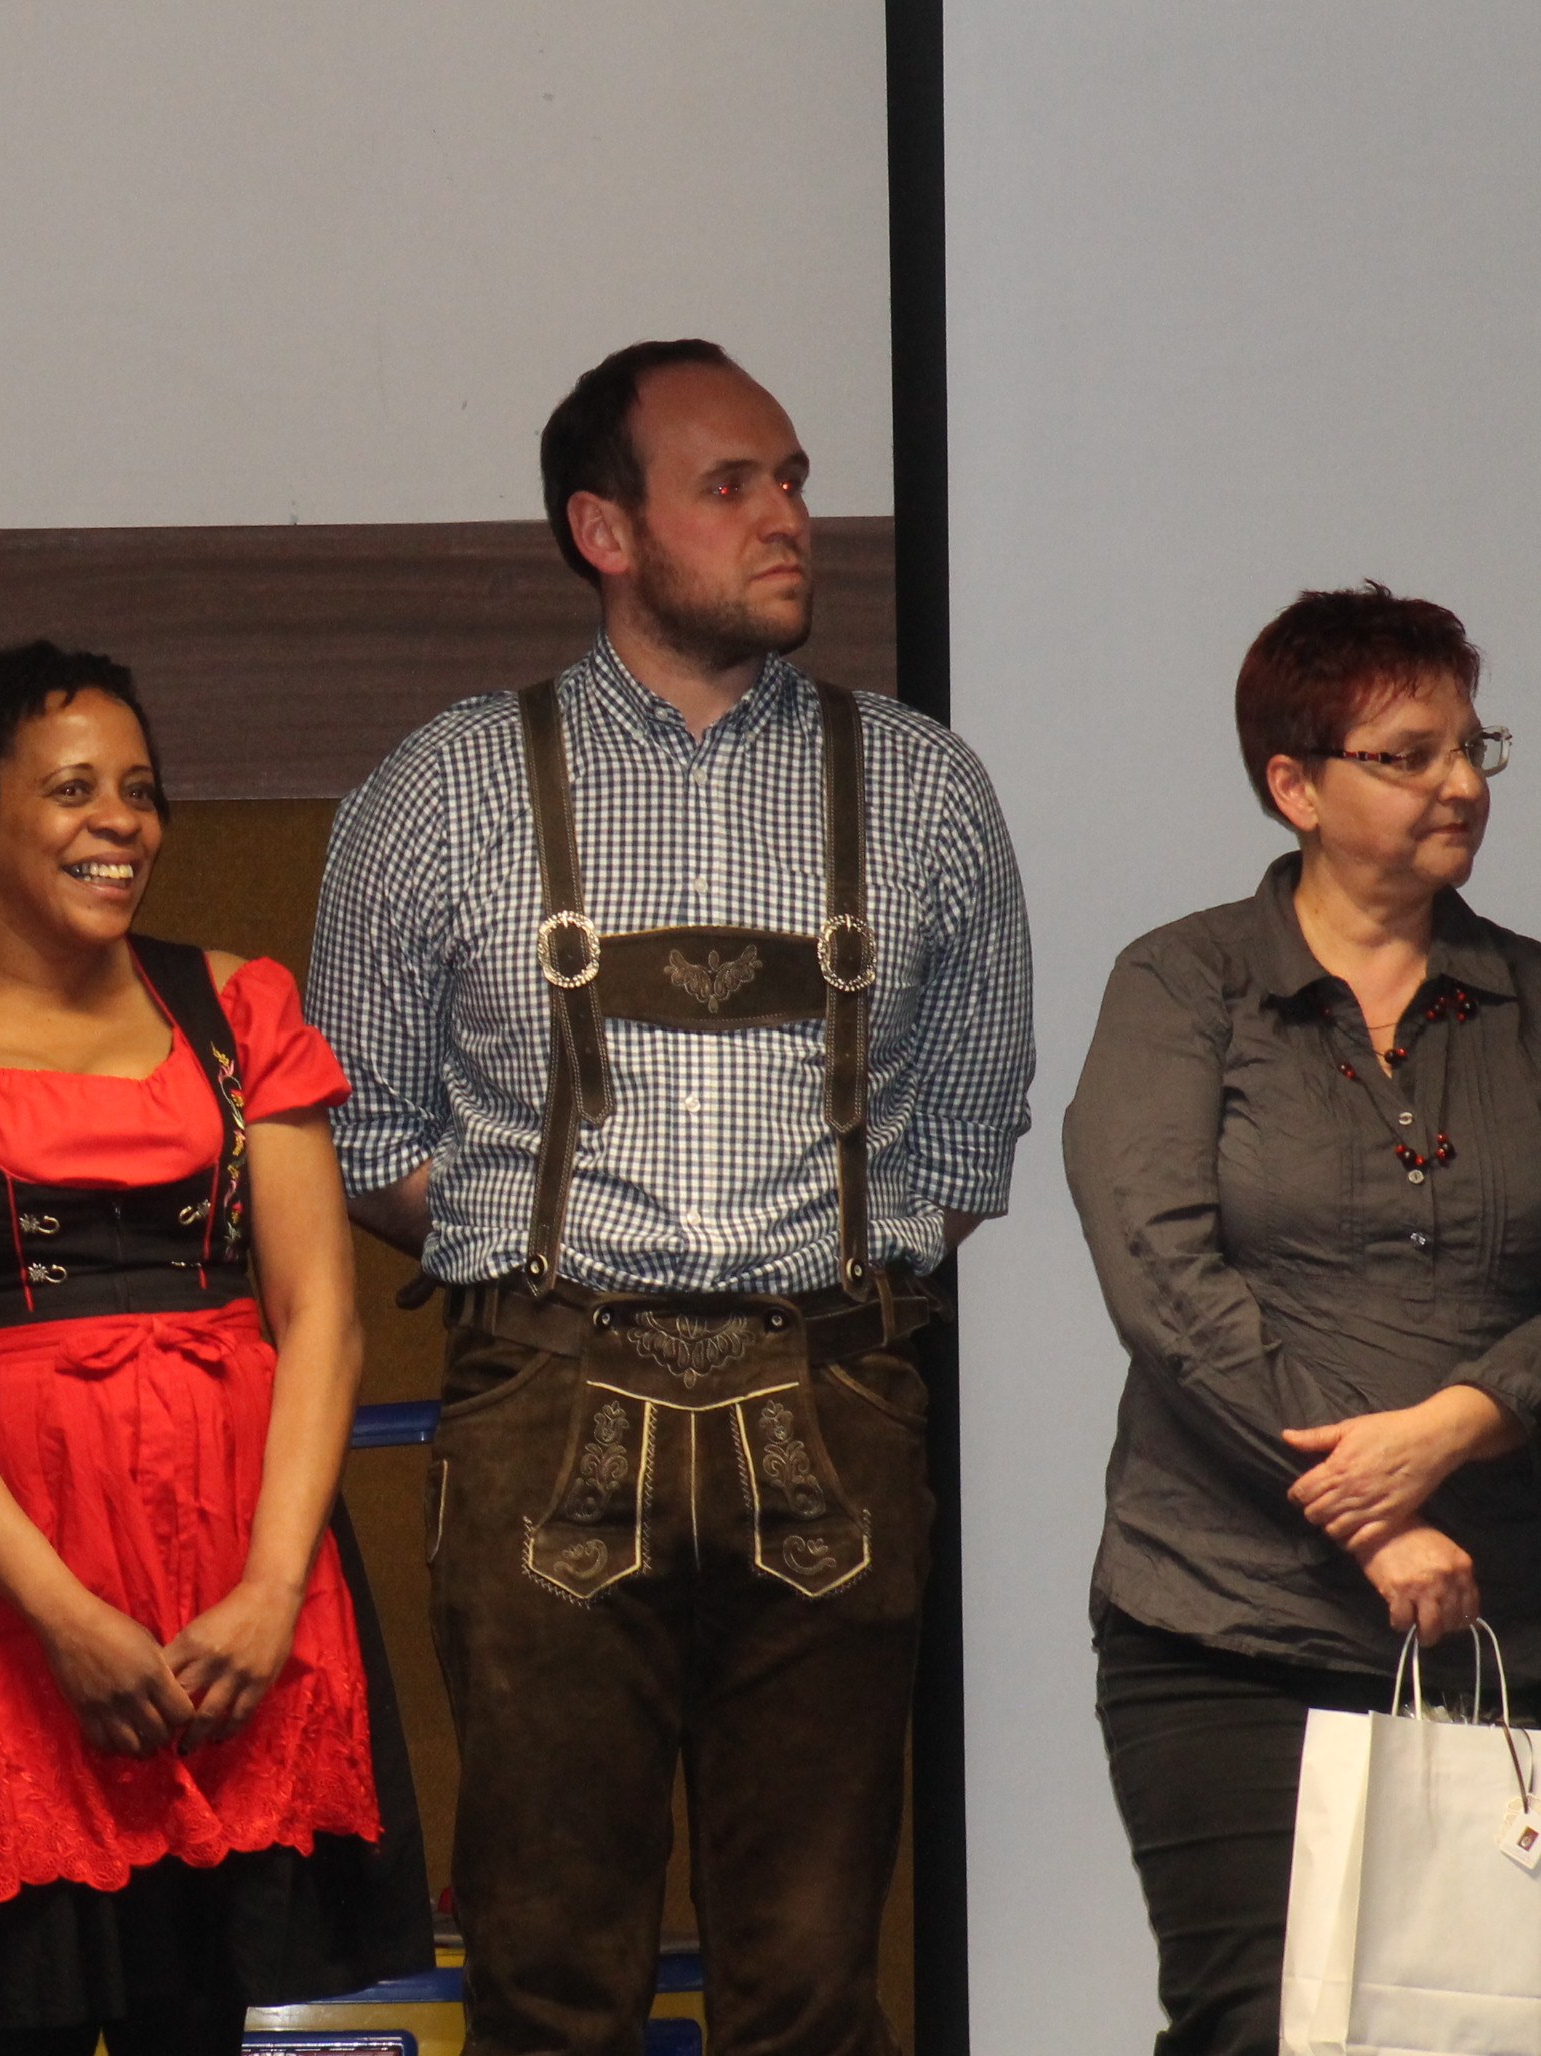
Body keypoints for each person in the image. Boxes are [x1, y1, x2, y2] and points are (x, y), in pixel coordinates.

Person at [309, 339, 1034, 2056]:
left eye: (791, 479)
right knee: (548, 1983)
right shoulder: (442, 786)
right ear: (605, 531)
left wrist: (816, 1283)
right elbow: (354, 1123)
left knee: (811, 1989)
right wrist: (544, 1261)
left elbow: (962, 1142)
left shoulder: (923, 787)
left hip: (833, 1398)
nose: (788, 516)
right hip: (544, 1402)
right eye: (731, 485)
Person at [0, 641, 432, 2056]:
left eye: (139, 789)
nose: (120, 821)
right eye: (73, 790)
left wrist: (272, 1591)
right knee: (11, 2012)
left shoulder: (239, 1006)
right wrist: (61, 1618)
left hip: (232, 1585)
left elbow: (321, 1317)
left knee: (200, 2012)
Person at [1065, 583, 1541, 2056]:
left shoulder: (1532, 1001)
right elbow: (1161, 1277)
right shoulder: (1184, 982)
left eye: (1471, 747)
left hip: (1509, 1620)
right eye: (1409, 755)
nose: (1458, 783)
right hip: (1228, 1622)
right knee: (1260, 2027)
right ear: (1295, 786)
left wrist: (1464, 1420)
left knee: (1487, 2029)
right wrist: (1376, 1516)